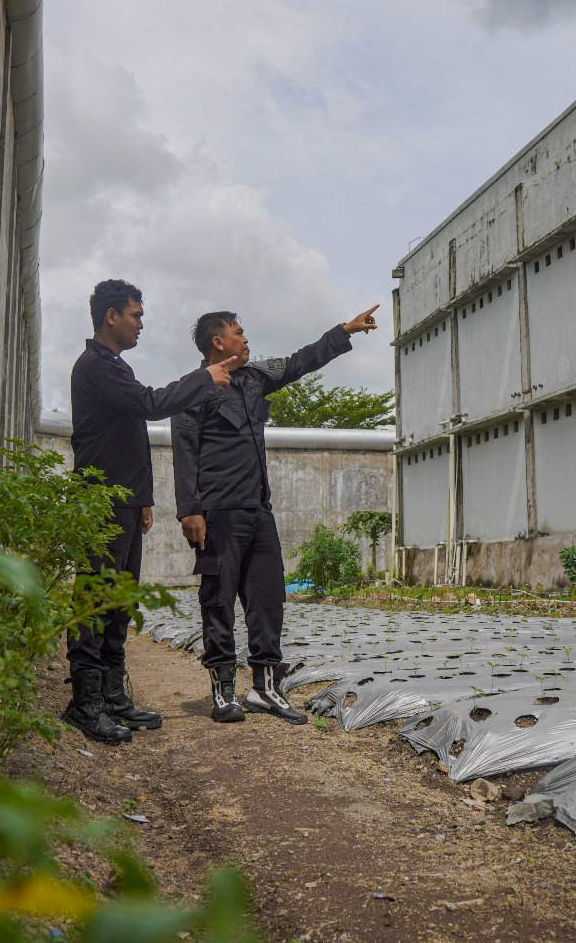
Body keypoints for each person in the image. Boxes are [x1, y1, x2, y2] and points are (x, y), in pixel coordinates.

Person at [173, 304, 380, 723]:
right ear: (218, 342)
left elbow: (302, 361)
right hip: (217, 514)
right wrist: (188, 510)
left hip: (258, 511)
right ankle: (223, 692)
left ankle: (265, 689)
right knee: (218, 601)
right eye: (238, 332)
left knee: (268, 600)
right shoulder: (192, 389)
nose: (246, 339)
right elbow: (184, 452)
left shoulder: (254, 378)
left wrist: (345, 330)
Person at [65, 279, 238, 745]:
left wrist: (142, 500)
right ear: (111, 317)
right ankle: (85, 703)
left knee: (119, 599)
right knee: (97, 598)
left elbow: (126, 438)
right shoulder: (97, 367)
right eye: (136, 314)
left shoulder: (113, 366)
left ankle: (113, 697)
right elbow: (150, 404)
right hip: (100, 502)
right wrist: (205, 377)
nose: (141, 322)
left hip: (122, 501)